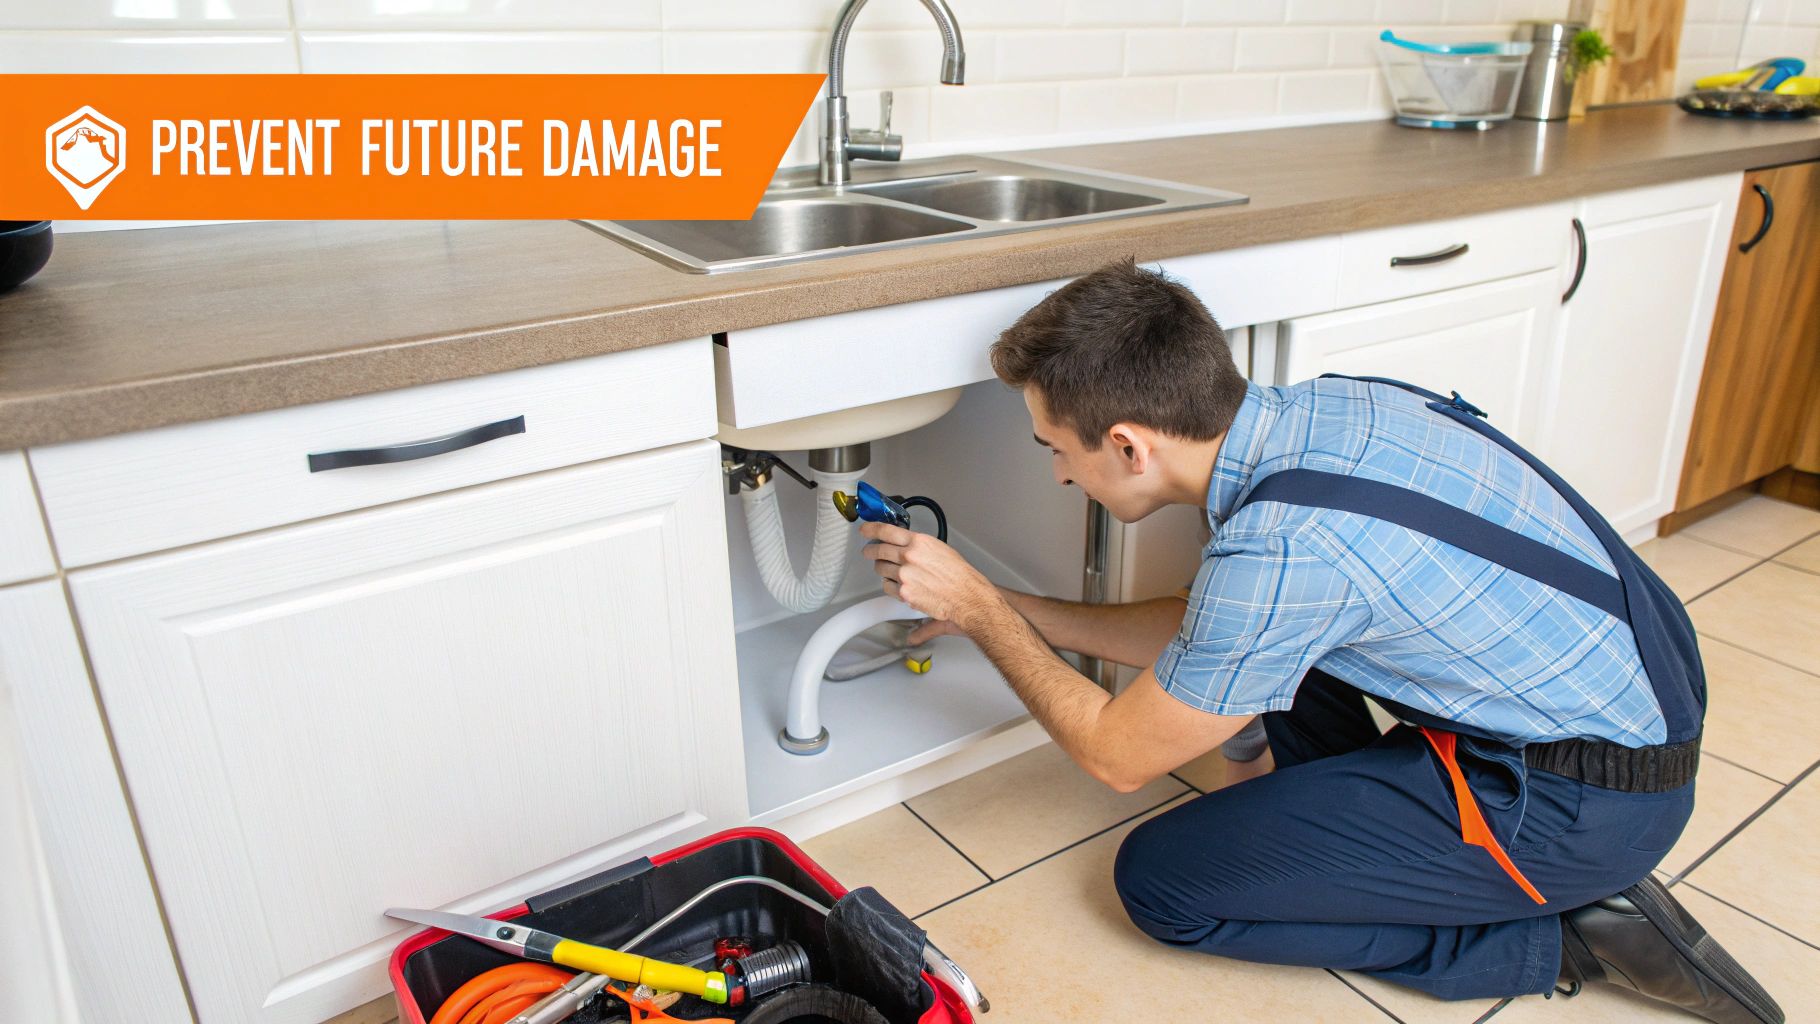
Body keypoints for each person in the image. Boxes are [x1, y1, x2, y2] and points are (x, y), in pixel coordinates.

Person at [856, 258, 1782, 1022]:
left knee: (1163, 885)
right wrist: (1006, 605)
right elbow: (1219, 629)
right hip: (1629, 703)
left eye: (1057, 449)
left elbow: (1116, 756)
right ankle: (1394, 847)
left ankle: (1562, 937)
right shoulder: (1332, 410)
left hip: (1587, 802)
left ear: (1130, 445)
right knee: (1259, 668)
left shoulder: (1283, 548)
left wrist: (983, 615)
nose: (1061, 475)